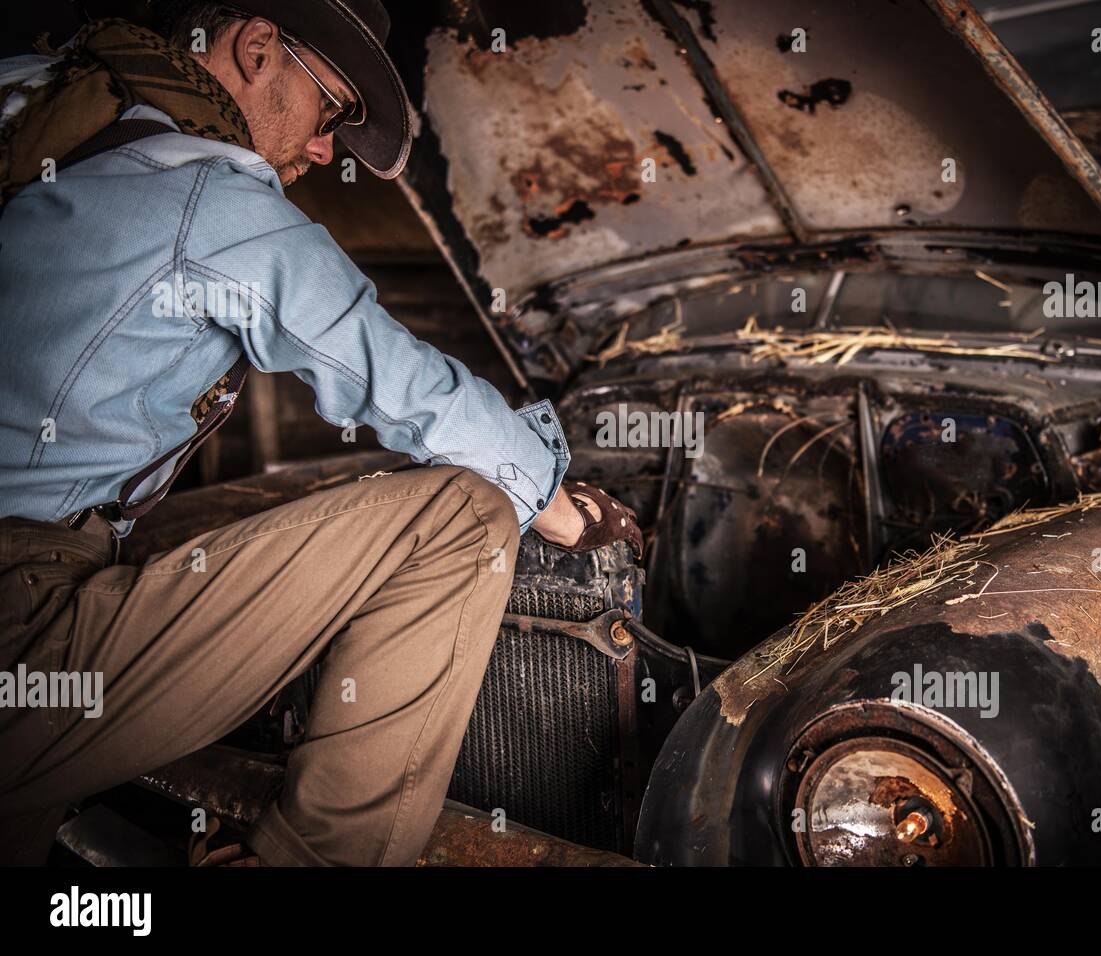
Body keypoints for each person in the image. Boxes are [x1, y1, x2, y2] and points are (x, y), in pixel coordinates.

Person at [0, 0, 642, 866]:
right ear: (259, 47)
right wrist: (562, 509)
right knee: (462, 516)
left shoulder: (44, 118)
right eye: (332, 111)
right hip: (23, 621)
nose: (324, 148)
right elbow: (395, 376)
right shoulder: (203, 193)